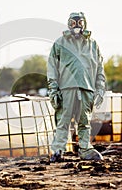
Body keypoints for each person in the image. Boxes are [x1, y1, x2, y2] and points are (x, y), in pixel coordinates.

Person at [47, 12, 106, 162]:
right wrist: (53, 89)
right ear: (68, 24)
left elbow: (100, 69)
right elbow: (52, 67)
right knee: (63, 121)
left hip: (87, 88)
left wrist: (100, 89)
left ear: (85, 23)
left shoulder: (93, 44)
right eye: (73, 23)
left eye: (80, 22)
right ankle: (57, 150)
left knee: (84, 122)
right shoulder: (60, 43)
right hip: (66, 88)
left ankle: (85, 149)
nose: (77, 26)